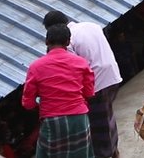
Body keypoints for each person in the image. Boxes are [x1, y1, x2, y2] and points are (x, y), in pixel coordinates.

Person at [41, 11, 122, 158]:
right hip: (113, 76)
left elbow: (74, 69)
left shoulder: (67, 40)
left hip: (96, 83)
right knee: (108, 117)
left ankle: (108, 154)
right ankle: (115, 151)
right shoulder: (91, 25)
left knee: (98, 127)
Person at [22, 24, 95, 158]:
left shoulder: (35, 67)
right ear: (68, 42)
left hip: (52, 120)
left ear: (46, 42)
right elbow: (89, 93)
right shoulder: (81, 63)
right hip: (79, 118)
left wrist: (40, 106)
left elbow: (28, 103)